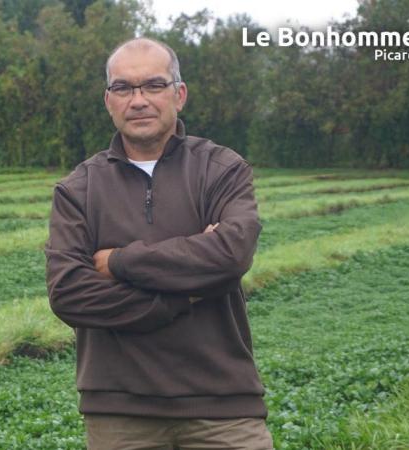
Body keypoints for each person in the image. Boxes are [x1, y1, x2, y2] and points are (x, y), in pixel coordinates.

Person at [44, 37, 273, 450]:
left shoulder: (222, 170)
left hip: (223, 407)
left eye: (153, 85)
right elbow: (70, 294)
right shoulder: (79, 188)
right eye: (123, 88)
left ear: (179, 94)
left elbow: (230, 254)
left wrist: (118, 262)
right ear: (108, 100)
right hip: (119, 412)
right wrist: (181, 297)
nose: (139, 100)